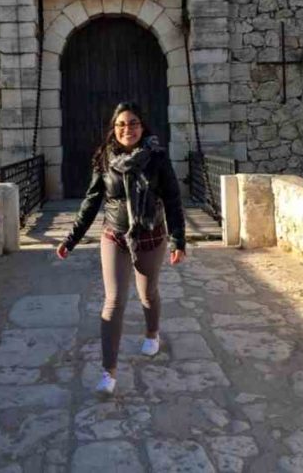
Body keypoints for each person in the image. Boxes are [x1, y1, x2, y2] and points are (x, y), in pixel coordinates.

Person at [55, 101, 187, 396]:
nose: (128, 129)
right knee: (113, 301)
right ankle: (108, 372)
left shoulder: (157, 158)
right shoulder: (104, 159)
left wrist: (179, 240)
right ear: (114, 129)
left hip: (151, 236)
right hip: (114, 235)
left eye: (134, 123)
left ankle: (152, 333)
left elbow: (173, 201)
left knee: (148, 292)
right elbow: (91, 202)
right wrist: (71, 239)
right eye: (122, 124)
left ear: (143, 126)